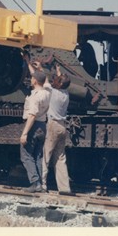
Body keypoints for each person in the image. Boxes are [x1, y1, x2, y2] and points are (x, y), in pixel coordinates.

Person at [41, 63, 74, 195]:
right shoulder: (65, 94)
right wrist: (59, 72)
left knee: (46, 155)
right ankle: (64, 187)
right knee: (60, 158)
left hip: (53, 125)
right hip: (62, 126)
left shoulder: (52, 92)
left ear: (58, 84)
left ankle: (42, 185)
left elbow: (44, 80)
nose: (54, 79)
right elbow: (61, 83)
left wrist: (39, 68)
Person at [20, 60, 50, 192]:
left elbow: (32, 115)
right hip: (43, 126)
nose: (31, 79)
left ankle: (34, 182)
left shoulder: (34, 97)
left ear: (34, 81)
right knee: (38, 156)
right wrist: (34, 66)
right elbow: (45, 81)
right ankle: (42, 185)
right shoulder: (47, 92)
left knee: (26, 155)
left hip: (33, 126)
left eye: (32, 78)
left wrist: (25, 133)